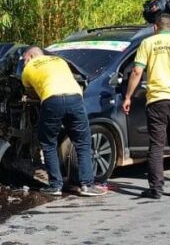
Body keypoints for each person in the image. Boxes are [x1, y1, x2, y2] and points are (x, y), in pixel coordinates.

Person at [122, 14, 170, 199]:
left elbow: (137, 71)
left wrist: (128, 96)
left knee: (156, 145)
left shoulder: (148, 43)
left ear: (154, 28)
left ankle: (156, 189)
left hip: (157, 100)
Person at [20, 46, 106, 197]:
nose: (24, 63)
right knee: (82, 142)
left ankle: (55, 186)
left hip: (52, 100)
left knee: (48, 142)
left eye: (25, 59)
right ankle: (88, 185)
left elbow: (31, 92)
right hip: (75, 98)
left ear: (31, 56)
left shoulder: (27, 70)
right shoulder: (60, 60)